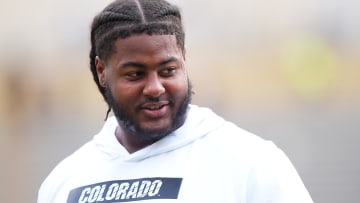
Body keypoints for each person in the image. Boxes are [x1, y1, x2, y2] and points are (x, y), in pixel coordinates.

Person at [38, 0, 313, 202]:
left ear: (184, 60)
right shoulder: (65, 181)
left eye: (168, 70)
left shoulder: (253, 164)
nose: (155, 88)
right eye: (135, 74)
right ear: (102, 72)